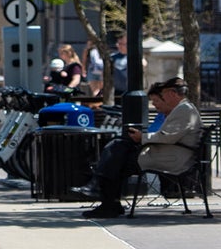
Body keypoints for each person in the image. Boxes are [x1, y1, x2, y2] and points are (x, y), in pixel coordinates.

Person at [72, 78, 201, 219]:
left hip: (172, 158)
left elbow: (167, 137)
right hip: (168, 153)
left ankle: (106, 199)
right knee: (117, 149)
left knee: (116, 159)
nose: (162, 97)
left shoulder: (184, 110)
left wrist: (142, 137)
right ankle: (106, 199)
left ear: (173, 93)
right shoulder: (183, 109)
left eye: (163, 94)